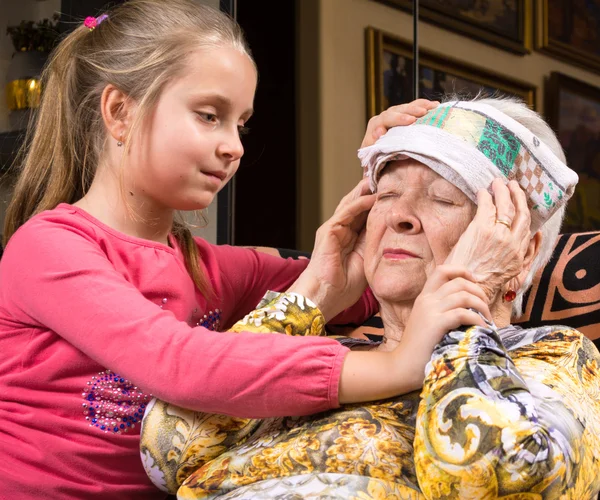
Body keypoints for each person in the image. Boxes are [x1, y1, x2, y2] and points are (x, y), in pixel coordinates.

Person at [0, 1, 527, 498]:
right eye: (210, 115)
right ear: (119, 112)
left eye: (240, 123)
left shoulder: (207, 267)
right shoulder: (48, 248)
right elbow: (181, 364)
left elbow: (364, 280)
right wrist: (395, 366)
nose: (235, 145)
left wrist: (386, 174)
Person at [140, 97, 600, 499]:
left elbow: (507, 479)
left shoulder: (555, 358)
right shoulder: (331, 354)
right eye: (388, 191)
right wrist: (314, 293)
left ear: (520, 251)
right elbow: (168, 450)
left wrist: (467, 300)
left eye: (443, 199)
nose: (399, 214)